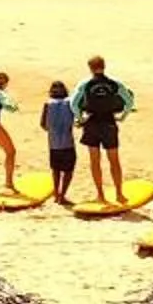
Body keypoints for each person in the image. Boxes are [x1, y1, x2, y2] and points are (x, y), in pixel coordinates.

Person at [76, 56, 131, 203]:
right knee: (114, 160)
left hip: (92, 123)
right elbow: (129, 101)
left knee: (95, 161)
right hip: (109, 122)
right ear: (104, 66)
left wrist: (80, 118)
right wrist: (123, 116)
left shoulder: (85, 84)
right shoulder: (114, 83)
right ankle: (119, 194)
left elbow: (74, 104)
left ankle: (100, 195)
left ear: (90, 68)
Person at [38, 80, 79, 205]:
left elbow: (43, 125)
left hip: (54, 144)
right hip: (68, 143)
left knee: (56, 170)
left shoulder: (47, 104)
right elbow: (78, 120)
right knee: (68, 171)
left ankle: (56, 194)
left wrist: (52, 129)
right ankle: (62, 195)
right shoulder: (70, 103)